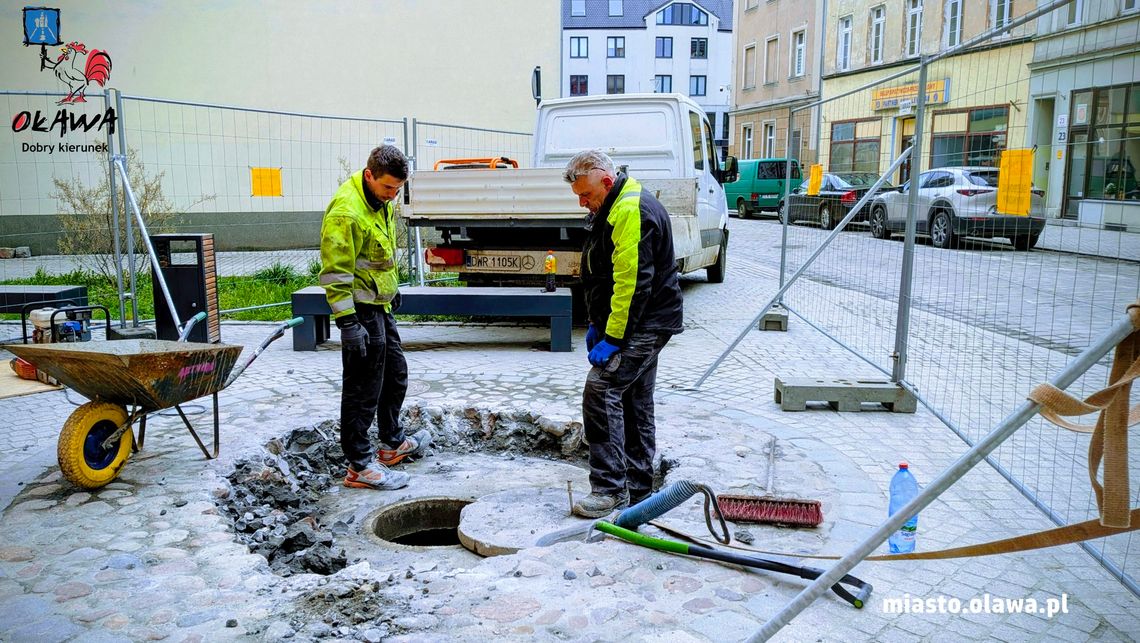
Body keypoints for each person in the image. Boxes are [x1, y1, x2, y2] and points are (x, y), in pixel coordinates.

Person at [563, 149, 683, 518]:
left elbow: (631, 283)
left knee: (601, 390)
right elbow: (606, 273)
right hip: (643, 321)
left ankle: (610, 490)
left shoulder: (630, 210)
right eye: (579, 197)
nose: (584, 203)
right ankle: (639, 487)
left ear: (607, 180)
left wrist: (613, 338)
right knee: (634, 401)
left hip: (644, 323)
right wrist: (598, 322)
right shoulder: (613, 205)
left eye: (587, 195)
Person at [320, 144, 430, 490]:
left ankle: (392, 444)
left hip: (379, 304)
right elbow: (336, 272)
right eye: (387, 188)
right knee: (362, 387)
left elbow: (376, 254)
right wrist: (347, 323)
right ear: (369, 175)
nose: (392, 195)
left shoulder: (378, 200)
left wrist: (391, 286)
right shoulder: (346, 212)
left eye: (397, 190)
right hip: (359, 311)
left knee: (395, 374)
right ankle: (359, 465)